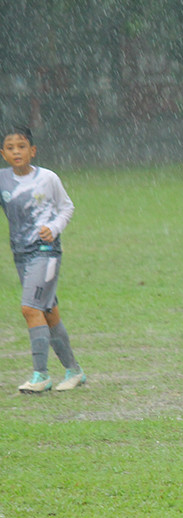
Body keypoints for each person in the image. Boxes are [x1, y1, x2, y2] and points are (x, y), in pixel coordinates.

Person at [0, 125, 85, 393]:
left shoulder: (48, 178)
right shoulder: (2, 180)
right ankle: (74, 371)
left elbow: (66, 207)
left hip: (46, 252)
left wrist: (55, 228)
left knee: (29, 308)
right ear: (3, 153)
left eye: (22, 146)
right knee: (48, 312)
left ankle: (41, 375)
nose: (17, 151)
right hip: (21, 253)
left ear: (33, 151)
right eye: (11, 147)